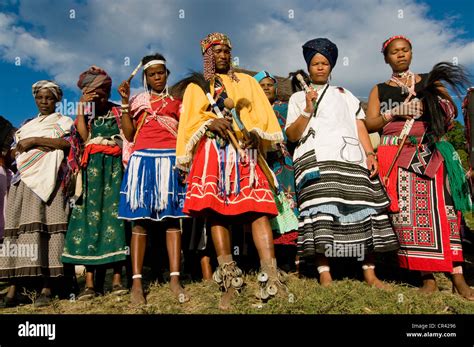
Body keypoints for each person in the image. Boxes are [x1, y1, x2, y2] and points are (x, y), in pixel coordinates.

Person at [176, 33, 286, 307]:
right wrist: (210, 123)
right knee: (216, 211)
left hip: (245, 151)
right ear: (207, 57)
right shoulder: (197, 87)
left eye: (226, 50)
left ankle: (271, 276)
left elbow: (261, 114)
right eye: (217, 51)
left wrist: (255, 136)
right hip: (213, 151)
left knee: (259, 208)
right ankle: (229, 279)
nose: (223, 55)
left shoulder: (248, 83)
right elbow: (190, 120)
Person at [365, 35, 474, 299]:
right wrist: (396, 111)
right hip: (397, 152)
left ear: (411, 53)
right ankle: (427, 277)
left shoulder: (428, 80)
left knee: (446, 212)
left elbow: (451, 112)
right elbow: (370, 124)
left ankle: (457, 275)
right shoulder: (380, 89)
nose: (400, 55)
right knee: (408, 216)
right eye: (394, 52)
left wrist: (429, 105)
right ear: (386, 58)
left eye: (405, 50)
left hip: (431, 150)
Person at [285, 38, 399, 288]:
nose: (320, 67)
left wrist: (370, 154)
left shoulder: (345, 94)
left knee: (363, 210)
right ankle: (325, 271)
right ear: (308, 66)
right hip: (315, 159)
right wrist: (307, 108)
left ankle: (369, 273)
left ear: (331, 67)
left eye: (325, 63)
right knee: (322, 212)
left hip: (350, 156)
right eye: (315, 63)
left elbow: (360, 125)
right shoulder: (297, 98)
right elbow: (292, 136)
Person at [117, 53, 189, 305]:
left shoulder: (177, 103)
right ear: (146, 78)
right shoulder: (138, 102)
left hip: (170, 161)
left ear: (167, 74)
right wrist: (125, 103)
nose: (157, 77)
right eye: (152, 74)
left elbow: (187, 131)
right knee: (139, 222)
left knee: (172, 220)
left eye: (161, 72)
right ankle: (137, 282)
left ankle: (175, 278)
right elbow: (128, 134)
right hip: (143, 161)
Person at [0, 81, 74, 307]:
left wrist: (35, 141)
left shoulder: (64, 122)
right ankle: (14, 290)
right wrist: (15, 151)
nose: (44, 102)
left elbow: (67, 145)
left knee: (46, 233)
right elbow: (14, 151)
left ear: (57, 100)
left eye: (49, 98)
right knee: (19, 236)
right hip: (23, 184)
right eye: (40, 98)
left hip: (49, 183)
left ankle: (47, 288)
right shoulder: (26, 125)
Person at [62, 66, 128, 300]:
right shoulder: (86, 116)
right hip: (91, 174)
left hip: (114, 171)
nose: (98, 96)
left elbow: (129, 137)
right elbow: (83, 138)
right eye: (93, 92)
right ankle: (89, 284)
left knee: (115, 220)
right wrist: (81, 108)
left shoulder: (118, 112)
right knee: (89, 221)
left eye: (102, 91)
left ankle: (117, 280)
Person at [253, 70, 299, 272]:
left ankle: (294, 259)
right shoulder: (252, 112)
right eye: (261, 86)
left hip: (285, 162)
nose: (266, 89)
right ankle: (272, 260)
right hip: (262, 163)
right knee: (269, 208)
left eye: (269, 85)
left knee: (290, 204)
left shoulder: (285, 107)